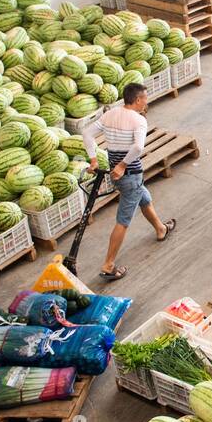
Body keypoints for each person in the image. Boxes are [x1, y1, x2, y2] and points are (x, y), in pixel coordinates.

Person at [81, 82, 175, 281]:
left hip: (119, 176)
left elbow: (87, 133)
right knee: (123, 221)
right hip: (128, 175)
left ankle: (160, 229)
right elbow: (138, 148)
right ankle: (108, 264)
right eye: (145, 99)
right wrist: (123, 165)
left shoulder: (111, 114)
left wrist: (94, 159)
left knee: (144, 197)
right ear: (138, 99)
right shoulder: (138, 121)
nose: (146, 102)